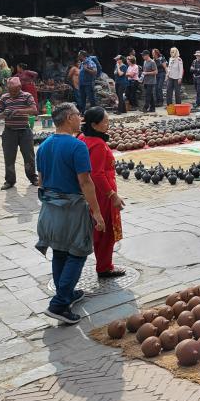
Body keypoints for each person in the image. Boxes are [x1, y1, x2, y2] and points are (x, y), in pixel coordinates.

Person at [35, 102, 105, 324]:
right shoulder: (77, 146)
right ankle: (59, 304)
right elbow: (85, 182)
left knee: (60, 252)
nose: (80, 118)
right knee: (77, 253)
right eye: (77, 114)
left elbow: (41, 180)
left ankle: (67, 293)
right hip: (73, 208)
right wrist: (97, 212)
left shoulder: (44, 146)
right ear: (67, 119)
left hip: (50, 209)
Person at [79, 106, 126, 278]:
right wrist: (112, 195)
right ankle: (105, 266)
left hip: (91, 192)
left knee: (98, 229)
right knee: (105, 231)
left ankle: (102, 263)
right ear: (94, 124)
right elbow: (97, 174)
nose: (108, 124)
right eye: (105, 121)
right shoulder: (98, 144)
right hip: (102, 194)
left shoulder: (83, 138)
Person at [0, 76, 39, 190]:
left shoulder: (27, 96)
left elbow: (34, 110)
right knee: (9, 157)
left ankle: (33, 177)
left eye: (15, 90)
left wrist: (19, 110)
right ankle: (9, 180)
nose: (13, 93)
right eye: (10, 90)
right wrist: (4, 113)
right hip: (9, 131)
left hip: (24, 130)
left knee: (29, 156)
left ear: (20, 87)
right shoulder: (4, 98)